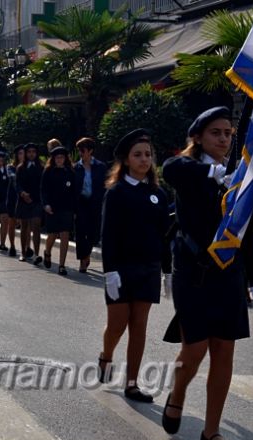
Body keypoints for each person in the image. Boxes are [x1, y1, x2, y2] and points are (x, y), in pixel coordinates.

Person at [161, 106, 253, 440]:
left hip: (229, 274)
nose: (223, 139)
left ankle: (212, 430)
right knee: (196, 347)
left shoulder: (237, 177)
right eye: (216, 132)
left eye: (228, 134)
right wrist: (211, 172)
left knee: (224, 351)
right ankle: (177, 395)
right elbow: (171, 169)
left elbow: (251, 230)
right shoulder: (191, 169)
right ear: (199, 136)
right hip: (194, 272)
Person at [98, 130, 171, 402]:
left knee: (139, 325)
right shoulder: (116, 192)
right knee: (117, 324)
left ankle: (132, 383)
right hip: (121, 268)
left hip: (148, 268)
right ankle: (106, 355)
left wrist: (167, 270)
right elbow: (108, 235)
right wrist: (110, 271)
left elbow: (164, 234)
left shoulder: (158, 194)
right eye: (138, 155)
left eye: (148, 155)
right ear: (126, 160)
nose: (144, 159)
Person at [41, 146, 76, 275]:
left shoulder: (70, 172)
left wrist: (74, 208)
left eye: (62, 157)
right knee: (52, 234)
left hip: (66, 208)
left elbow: (74, 191)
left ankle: (62, 265)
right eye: (57, 157)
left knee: (65, 235)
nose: (60, 160)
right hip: (52, 207)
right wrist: (46, 205)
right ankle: (47, 252)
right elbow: (43, 190)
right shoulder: (48, 171)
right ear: (53, 159)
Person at [74, 137, 107, 273]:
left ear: (90, 151)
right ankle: (83, 259)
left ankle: (86, 254)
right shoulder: (76, 167)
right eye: (79, 150)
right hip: (81, 202)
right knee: (81, 232)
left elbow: (105, 185)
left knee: (93, 233)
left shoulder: (101, 167)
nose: (81, 153)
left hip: (95, 203)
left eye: (83, 150)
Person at [16, 143, 44, 265]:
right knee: (24, 227)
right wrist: (22, 193)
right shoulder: (20, 168)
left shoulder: (41, 167)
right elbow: (16, 184)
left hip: (36, 200)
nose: (31, 154)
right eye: (29, 152)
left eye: (33, 151)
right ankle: (23, 252)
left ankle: (37, 254)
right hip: (23, 200)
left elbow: (43, 185)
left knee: (36, 226)